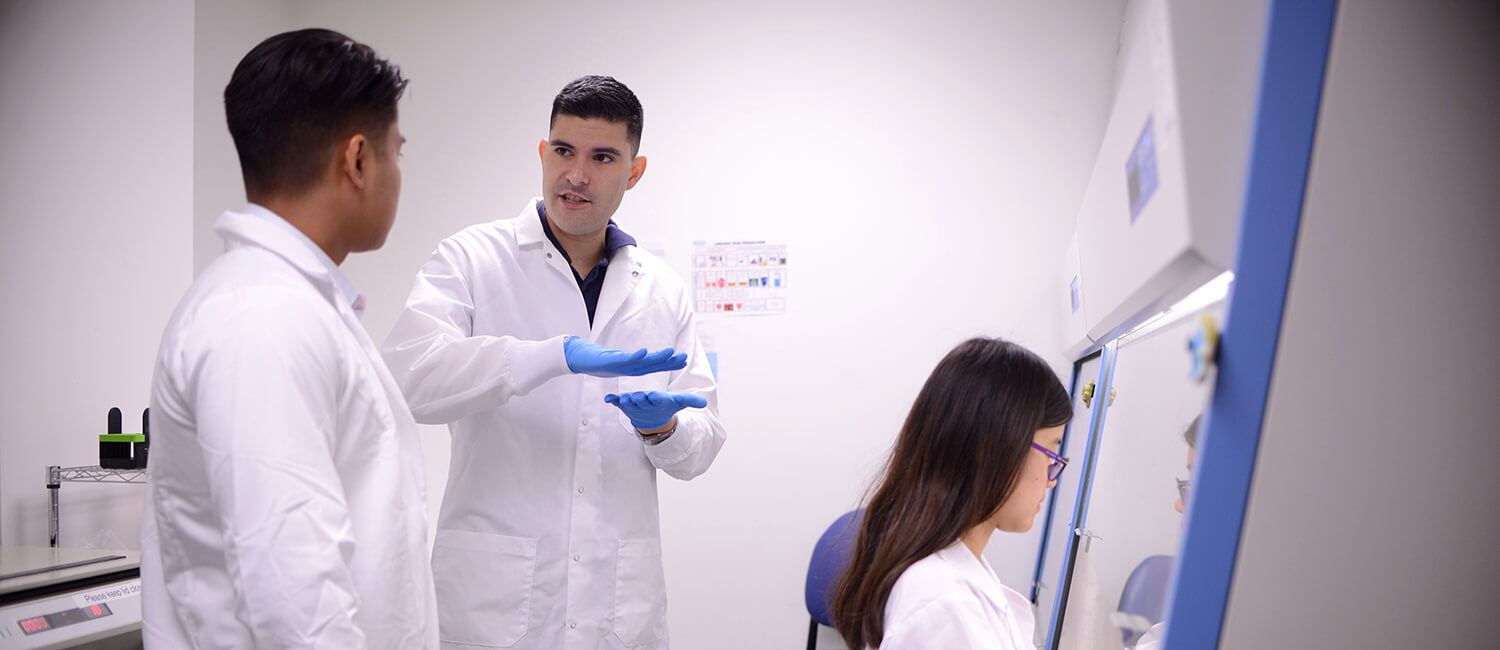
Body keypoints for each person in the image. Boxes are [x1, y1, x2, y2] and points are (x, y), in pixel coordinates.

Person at [383, 75, 726, 650]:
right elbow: (408, 380)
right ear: (544, 153)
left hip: (617, 604)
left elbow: (703, 443)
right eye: (564, 151)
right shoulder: (471, 258)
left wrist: (662, 428)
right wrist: (546, 357)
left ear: (634, 172)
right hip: (494, 603)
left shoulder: (662, 290)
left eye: (602, 157)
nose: (577, 175)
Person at [139, 29, 437, 648]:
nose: (398, 174)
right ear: (357, 161)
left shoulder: (287, 303)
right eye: (396, 152)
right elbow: (296, 603)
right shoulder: (262, 316)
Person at [831, 337, 1074, 649]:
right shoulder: (946, 607)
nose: (1052, 481)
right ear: (991, 450)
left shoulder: (946, 574)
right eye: (1052, 454)